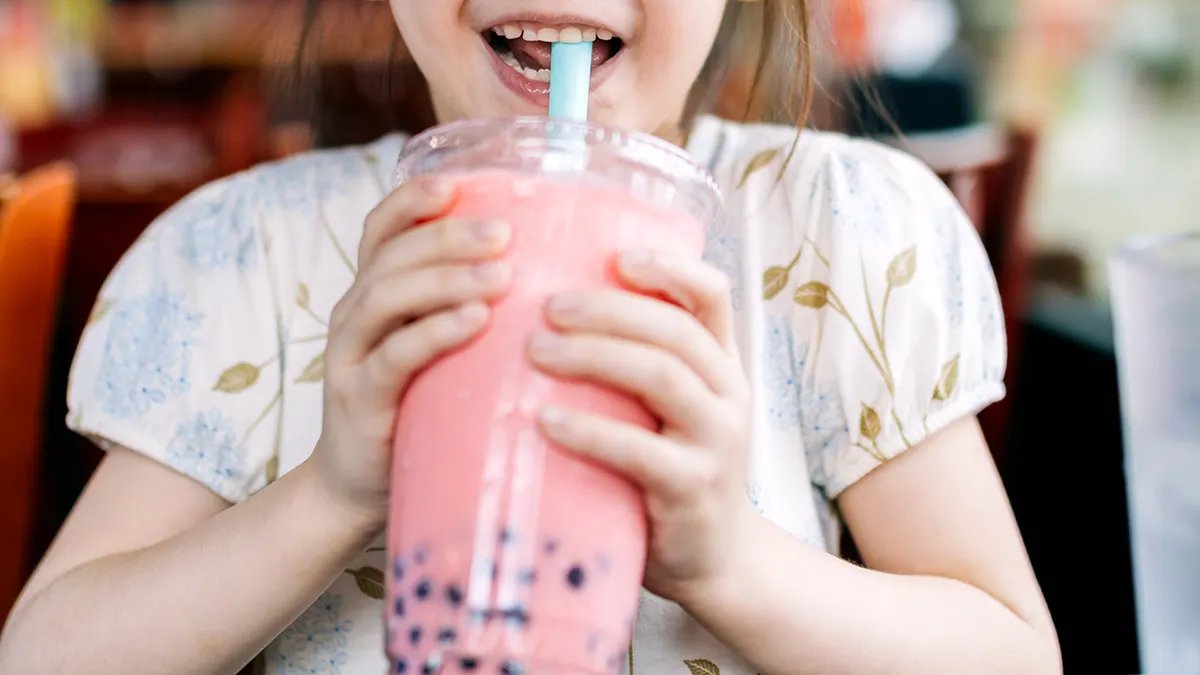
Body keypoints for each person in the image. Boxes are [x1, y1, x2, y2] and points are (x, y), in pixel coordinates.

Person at [0, 1, 1062, 673]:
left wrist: (730, 561)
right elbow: (48, 654)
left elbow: (1009, 652)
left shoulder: (833, 237)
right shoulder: (245, 260)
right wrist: (327, 493)